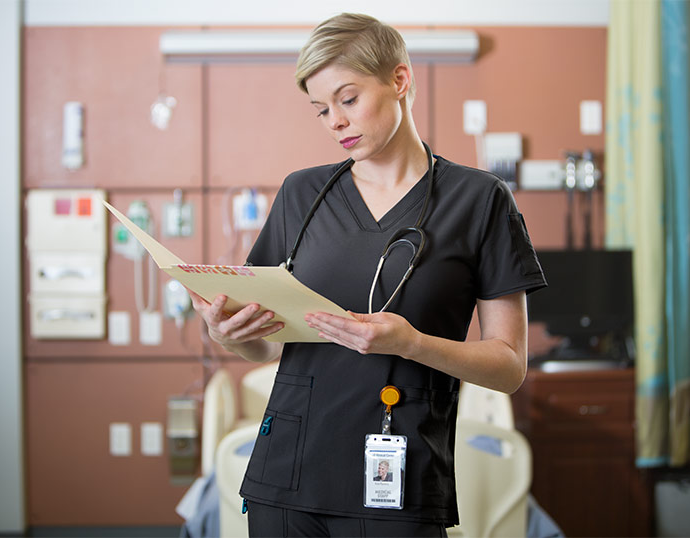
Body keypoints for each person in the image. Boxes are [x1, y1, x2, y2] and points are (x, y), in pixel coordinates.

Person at [190, 12, 546, 538]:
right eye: (320, 109)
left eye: (348, 99)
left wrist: (412, 343)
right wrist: (229, 333)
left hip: (396, 476)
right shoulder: (302, 195)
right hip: (287, 474)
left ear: (400, 80)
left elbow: (509, 367)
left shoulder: (479, 200)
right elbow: (267, 346)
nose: (335, 121)